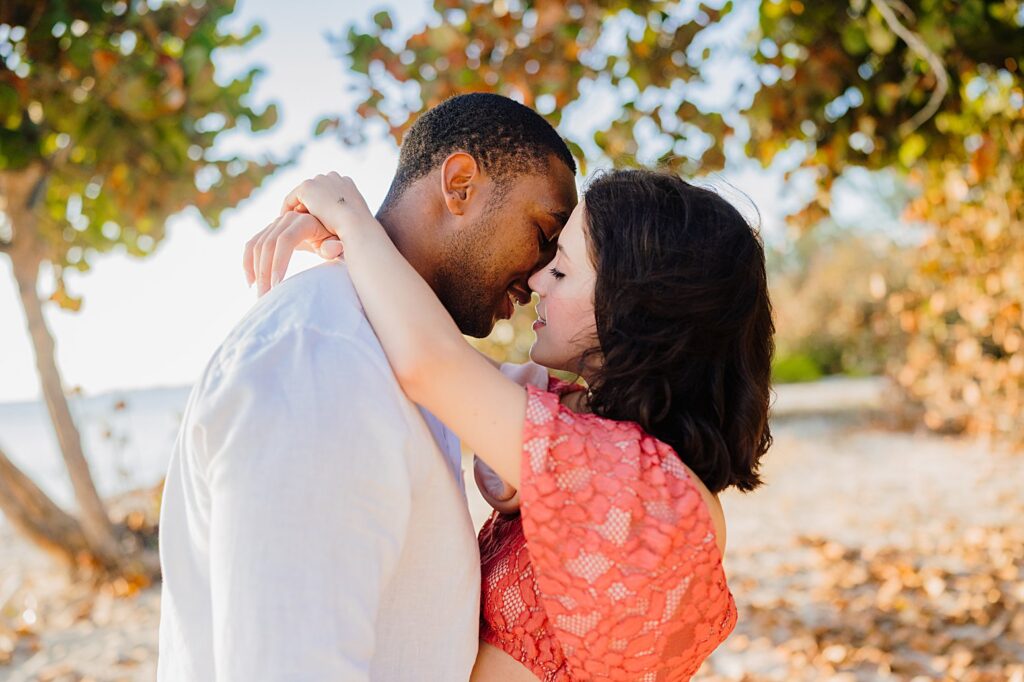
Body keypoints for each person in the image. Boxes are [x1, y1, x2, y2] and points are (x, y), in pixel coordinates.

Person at [246, 165, 774, 680]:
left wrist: (347, 213)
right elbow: (417, 335)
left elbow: (432, 361)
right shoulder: (592, 434)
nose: (537, 279)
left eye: (562, 269)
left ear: (636, 308)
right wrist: (342, 244)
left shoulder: (644, 488)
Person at [156, 93, 578, 681]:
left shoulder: (393, 351)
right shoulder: (321, 356)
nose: (539, 276)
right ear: (459, 185)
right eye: (543, 232)